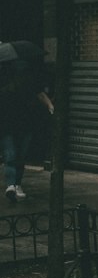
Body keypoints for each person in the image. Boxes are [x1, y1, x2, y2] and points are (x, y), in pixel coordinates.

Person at [0, 41, 54, 204]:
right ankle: (11, 185)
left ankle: (16, 184)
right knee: (12, 155)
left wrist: (50, 105)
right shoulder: (3, 78)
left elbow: (39, 94)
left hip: (23, 122)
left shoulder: (29, 78)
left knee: (19, 156)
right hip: (8, 123)